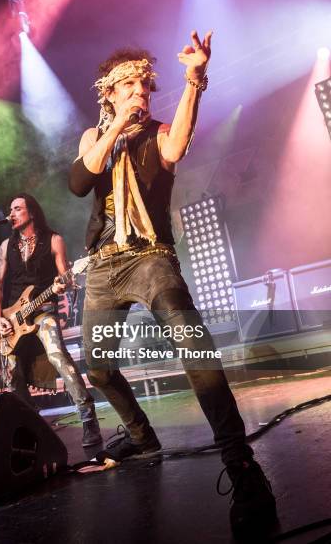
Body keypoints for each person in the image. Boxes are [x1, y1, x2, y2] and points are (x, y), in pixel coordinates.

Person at [68, 31, 276, 537]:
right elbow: (79, 182)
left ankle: (243, 467)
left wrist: (193, 81)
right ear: (110, 93)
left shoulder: (159, 131)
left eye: (145, 85)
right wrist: (117, 125)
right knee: (97, 371)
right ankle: (142, 438)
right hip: (102, 268)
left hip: (151, 259)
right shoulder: (94, 138)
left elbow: (178, 146)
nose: (141, 92)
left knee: (196, 354)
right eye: (131, 86)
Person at [0, 192, 102, 447]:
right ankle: (30, 429)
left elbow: (67, 277)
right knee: (12, 373)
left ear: (32, 212)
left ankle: (88, 419)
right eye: (10, 209)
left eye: (17, 208)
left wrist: (65, 283)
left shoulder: (54, 240)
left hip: (44, 309)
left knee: (56, 354)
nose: (11, 214)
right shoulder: (6, 246)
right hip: (13, 318)